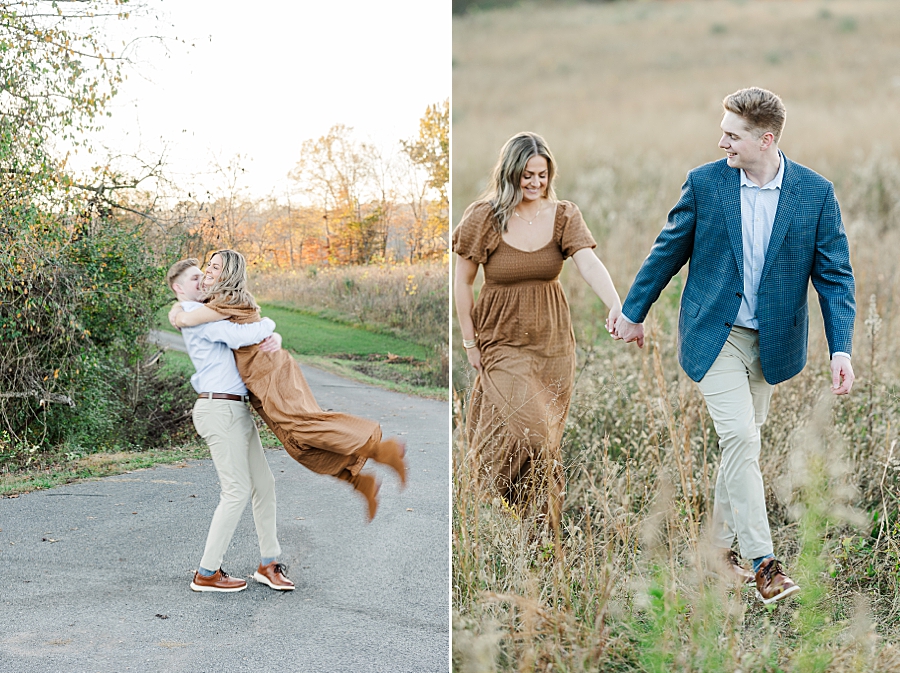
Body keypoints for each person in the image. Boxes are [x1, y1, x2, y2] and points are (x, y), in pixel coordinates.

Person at [612, 87, 856, 604]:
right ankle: (765, 563)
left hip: (772, 345)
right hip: (713, 334)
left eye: (732, 134)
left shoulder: (815, 194)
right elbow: (667, 250)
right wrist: (634, 312)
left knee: (739, 446)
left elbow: (835, 277)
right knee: (742, 440)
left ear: (765, 140)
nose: (720, 140)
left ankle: (715, 555)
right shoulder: (706, 183)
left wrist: (841, 349)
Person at [453, 131, 622, 529]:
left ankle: (542, 532)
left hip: (552, 344)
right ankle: (490, 500)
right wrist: (468, 341)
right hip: (501, 339)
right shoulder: (484, 217)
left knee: (545, 441)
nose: (534, 183)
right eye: (526, 175)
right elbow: (463, 281)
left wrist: (618, 304)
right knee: (527, 432)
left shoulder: (564, 215)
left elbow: (588, 264)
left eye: (541, 175)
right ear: (510, 173)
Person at [168, 249, 408, 523]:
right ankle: (359, 482)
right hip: (259, 380)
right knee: (295, 442)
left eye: (213, 267)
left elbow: (220, 330)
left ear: (229, 274)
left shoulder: (224, 301)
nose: (207, 272)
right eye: (206, 266)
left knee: (303, 424)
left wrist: (179, 313)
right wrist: (179, 309)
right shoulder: (217, 302)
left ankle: (381, 449)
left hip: (270, 372)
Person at [166, 258, 294, 593]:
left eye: (203, 274)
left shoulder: (202, 311)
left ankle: (269, 563)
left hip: (235, 409)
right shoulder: (195, 317)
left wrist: (274, 336)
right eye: (194, 278)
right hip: (217, 409)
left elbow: (251, 337)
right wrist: (270, 323)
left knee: (263, 484)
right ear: (179, 287)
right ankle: (207, 572)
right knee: (236, 490)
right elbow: (245, 334)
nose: (201, 280)